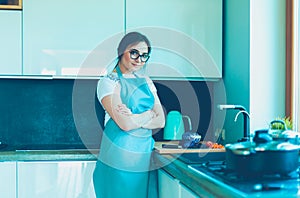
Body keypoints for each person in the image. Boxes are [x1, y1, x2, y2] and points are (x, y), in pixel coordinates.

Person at [93, 32, 165, 198]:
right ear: (121, 51)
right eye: (134, 53)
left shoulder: (146, 81)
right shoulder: (108, 82)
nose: (139, 60)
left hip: (144, 156)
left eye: (144, 55)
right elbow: (125, 125)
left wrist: (133, 117)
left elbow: (161, 120)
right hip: (119, 157)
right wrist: (148, 114)